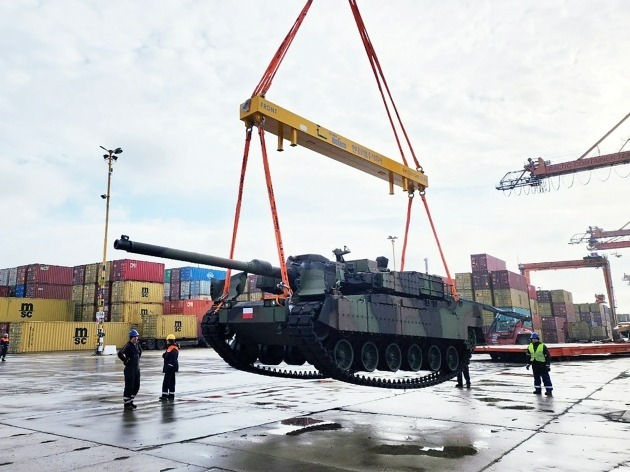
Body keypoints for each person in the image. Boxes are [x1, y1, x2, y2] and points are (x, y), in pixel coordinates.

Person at [118, 329, 142, 410]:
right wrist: (125, 360)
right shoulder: (128, 345)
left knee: (136, 386)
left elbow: (140, 352)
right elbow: (120, 353)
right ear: (131, 337)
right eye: (135, 337)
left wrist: (138, 359)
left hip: (136, 369)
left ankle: (131, 401)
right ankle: (127, 404)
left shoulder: (137, 345)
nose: (136, 339)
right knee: (129, 386)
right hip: (130, 369)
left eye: (137, 337)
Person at [159, 334, 180, 402]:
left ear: (169, 341)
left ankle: (164, 395)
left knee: (166, 381)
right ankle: (171, 394)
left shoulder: (172, 348)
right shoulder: (171, 347)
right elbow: (166, 355)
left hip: (170, 367)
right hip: (172, 367)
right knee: (172, 381)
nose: (166, 341)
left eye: (167, 340)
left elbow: (172, 358)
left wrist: (169, 366)